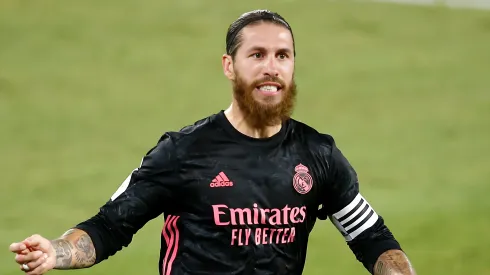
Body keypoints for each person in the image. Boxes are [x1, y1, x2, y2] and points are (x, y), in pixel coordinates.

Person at [9, 9, 417, 275]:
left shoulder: (318, 155)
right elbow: (110, 225)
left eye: (282, 55)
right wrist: (56, 251)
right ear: (229, 66)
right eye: (256, 55)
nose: (271, 68)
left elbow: (370, 237)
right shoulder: (183, 153)